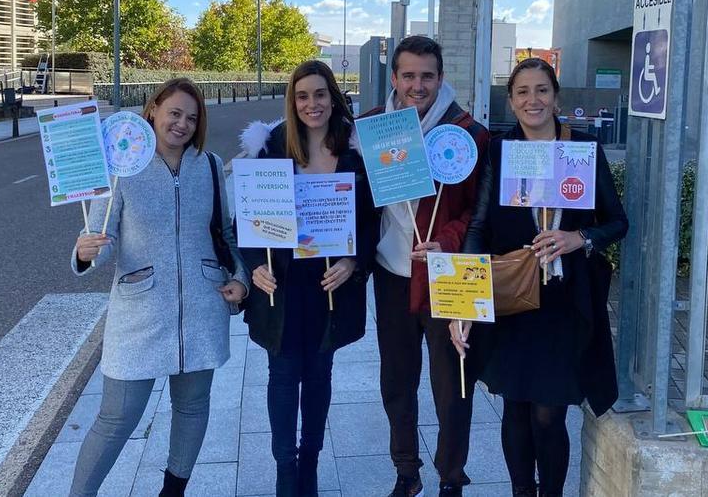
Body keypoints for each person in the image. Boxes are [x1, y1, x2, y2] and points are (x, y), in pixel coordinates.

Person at [70, 78, 250, 497]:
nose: (182, 124)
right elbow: (100, 236)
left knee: (191, 407)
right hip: (140, 312)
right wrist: (85, 251)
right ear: (152, 110)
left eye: (191, 117)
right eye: (174, 113)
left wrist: (240, 278)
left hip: (202, 307)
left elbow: (224, 231)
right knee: (116, 418)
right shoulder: (120, 168)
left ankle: (173, 491)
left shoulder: (208, 165)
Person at [456, 58, 628, 497]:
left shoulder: (583, 149)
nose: (533, 100)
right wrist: (466, 302)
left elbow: (617, 221)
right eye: (522, 92)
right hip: (513, 299)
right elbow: (478, 227)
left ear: (556, 97)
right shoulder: (498, 151)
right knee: (515, 407)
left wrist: (579, 238)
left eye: (542, 90)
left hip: (564, 303)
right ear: (511, 102)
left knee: (549, 413)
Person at [237, 60, 378, 496]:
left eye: (320, 95)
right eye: (302, 96)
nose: (311, 104)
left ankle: (311, 467)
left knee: (319, 376)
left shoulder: (355, 153)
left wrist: (354, 263)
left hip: (329, 286)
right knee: (281, 378)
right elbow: (249, 216)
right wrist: (254, 264)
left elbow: (373, 221)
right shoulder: (272, 147)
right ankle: (286, 470)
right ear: (292, 101)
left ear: (333, 97)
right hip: (282, 285)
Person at [363, 36, 490, 497]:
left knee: (453, 384)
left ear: (441, 78)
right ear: (394, 78)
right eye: (409, 76)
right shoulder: (373, 128)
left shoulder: (468, 133)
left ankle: (451, 477)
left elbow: (480, 209)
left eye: (428, 76)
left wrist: (449, 240)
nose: (418, 86)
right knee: (397, 381)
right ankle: (406, 471)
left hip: (449, 275)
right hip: (392, 275)